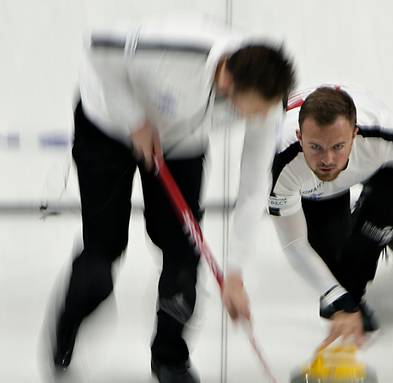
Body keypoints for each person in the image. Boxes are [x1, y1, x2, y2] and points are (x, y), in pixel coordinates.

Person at [52, 16, 295, 383]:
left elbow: (252, 187)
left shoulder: (267, 101)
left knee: (183, 255)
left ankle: (169, 357)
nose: (261, 118)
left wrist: (234, 273)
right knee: (103, 253)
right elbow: (97, 45)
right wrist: (135, 121)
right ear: (227, 78)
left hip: (181, 142)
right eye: (254, 109)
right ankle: (69, 321)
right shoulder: (180, 49)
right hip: (107, 128)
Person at [269, 85, 393, 349]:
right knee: (335, 281)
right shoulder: (282, 161)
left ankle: (383, 222)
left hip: (378, 165)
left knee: (383, 210)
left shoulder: (383, 135)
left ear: (355, 134)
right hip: (317, 190)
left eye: (338, 146)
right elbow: (294, 243)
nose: (327, 159)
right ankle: (374, 223)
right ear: (299, 137)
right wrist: (338, 298)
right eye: (315, 146)